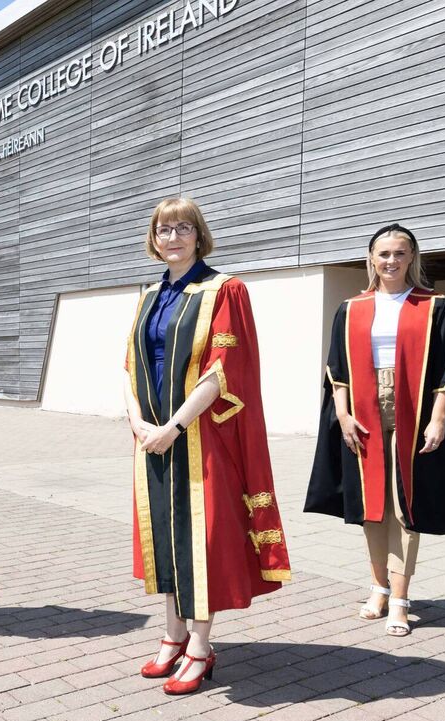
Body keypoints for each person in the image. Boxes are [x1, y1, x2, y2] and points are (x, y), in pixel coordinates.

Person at [125, 198, 291, 696]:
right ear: (153, 239)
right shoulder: (149, 294)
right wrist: (137, 421)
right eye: (162, 229)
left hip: (198, 436)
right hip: (151, 438)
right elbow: (130, 366)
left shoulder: (224, 290)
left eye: (182, 228)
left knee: (201, 539)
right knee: (167, 536)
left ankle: (200, 645)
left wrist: (172, 426)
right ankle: (173, 635)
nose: (171, 237)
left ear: (199, 234)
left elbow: (223, 371)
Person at [305, 223, 445, 636]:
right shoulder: (352, 308)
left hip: (414, 407)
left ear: (412, 257)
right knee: (370, 506)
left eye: (399, 253)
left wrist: (437, 417)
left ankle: (400, 598)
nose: (391, 261)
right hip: (363, 407)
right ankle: (378, 586)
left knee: (405, 505)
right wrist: (341, 414)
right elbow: (336, 369)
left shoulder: (436, 306)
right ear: (371, 259)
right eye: (383, 254)